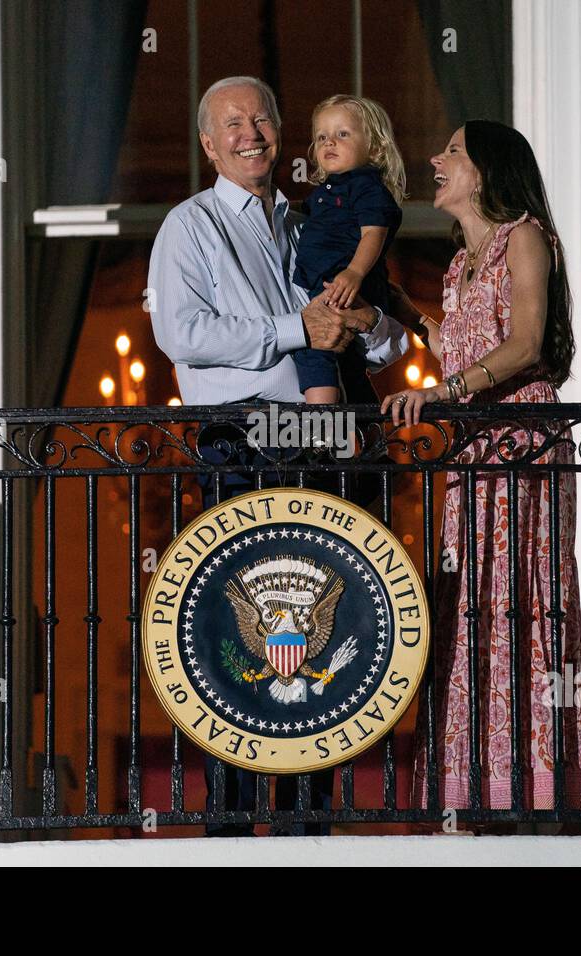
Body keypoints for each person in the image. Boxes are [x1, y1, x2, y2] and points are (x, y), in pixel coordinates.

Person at [149, 75, 408, 835]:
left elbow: (386, 339)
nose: (251, 132)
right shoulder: (188, 226)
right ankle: (230, 825)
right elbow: (184, 335)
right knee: (240, 636)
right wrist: (298, 329)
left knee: (328, 633)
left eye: (262, 117)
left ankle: (308, 824)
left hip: (325, 446)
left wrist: (363, 320)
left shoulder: (314, 220)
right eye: (232, 122)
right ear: (208, 143)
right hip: (241, 438)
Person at [381, 120, 581, 829]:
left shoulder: (525, 235)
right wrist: (400, 314)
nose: (435, 158)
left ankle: (534, 786)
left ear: (485, 170)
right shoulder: (458, 265)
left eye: (451, 150)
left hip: (519, 440)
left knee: (521, 600)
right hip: (469, 451)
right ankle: (473, 784)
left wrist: (444, 395)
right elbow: (461, 343)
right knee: (468, 602)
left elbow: (524, 342)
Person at [291, 95, 406, 405]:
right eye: (322, 137)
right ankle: (368, 431)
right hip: (327, 286)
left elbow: (373, 233)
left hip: (346, 287)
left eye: (343, 134)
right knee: (350, 364)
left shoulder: (366, 187)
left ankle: (322, 428)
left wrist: (355, 271)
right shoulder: (325, 192)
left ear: (375, 147)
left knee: (313, 347)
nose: (330, 142)